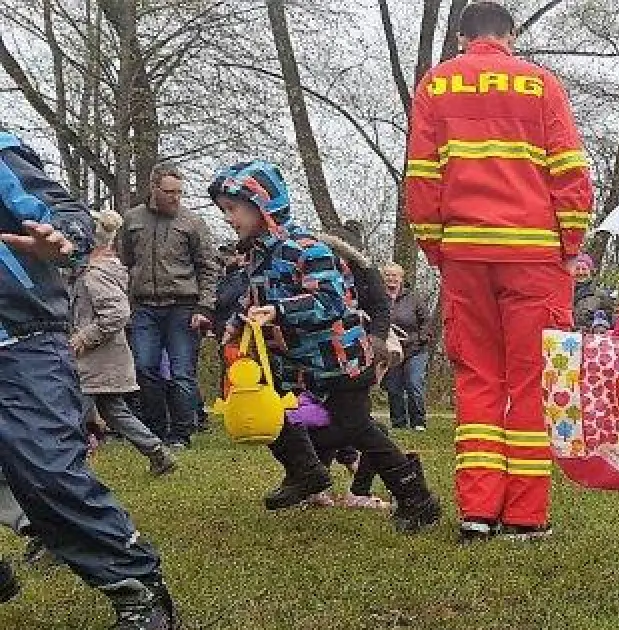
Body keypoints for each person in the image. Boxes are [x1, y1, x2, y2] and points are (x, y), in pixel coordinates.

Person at [404, 0, 594, 542]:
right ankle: (525, 516)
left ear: (463, 36)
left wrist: (437, 248)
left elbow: (421, 176)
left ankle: (477, 512)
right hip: (534, 256)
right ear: (509, 35)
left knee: (478, 380)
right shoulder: (539, 84)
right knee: (532, 383)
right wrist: (570, 244)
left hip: (465, 254)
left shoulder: (435, 86)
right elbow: (570, 171)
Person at [0, 130, 179, 630]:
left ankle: (137, 586)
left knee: (47, 471)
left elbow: (69, 212)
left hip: (21, 343)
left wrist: (60, 237)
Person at [210, 160, 441, 533]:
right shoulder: (256, 255)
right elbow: (250, 300)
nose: (228, 218)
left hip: (339, 360)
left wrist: (279, 310)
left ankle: (416, 497)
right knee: (277, 415)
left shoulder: (307, 249)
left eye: (232, 209)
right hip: (296, 365)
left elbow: (331, 302)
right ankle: (306, 472)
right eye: (224, 210)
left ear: (262, 204)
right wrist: (236, 325)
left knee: (354, 428)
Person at [70, 210, 179, 477]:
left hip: (93, 362)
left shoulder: (94, 275)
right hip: (105, 361)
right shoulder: (95, 271)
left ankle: (70, 470)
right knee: (115, 411)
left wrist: (84, 337)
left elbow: (117, 312)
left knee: (71, 415)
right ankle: (157, 452)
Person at [119, 163, 220, 449]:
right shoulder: (132, 220)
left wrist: (205, 307)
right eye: (169, 192)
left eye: (179, 192)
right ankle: (155, 430)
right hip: (144, 307)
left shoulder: (192, 223)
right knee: (144, 367)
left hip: (183, 306)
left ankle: (181, 433)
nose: (175, 197)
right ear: (154, 189)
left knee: (181, 371)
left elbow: (208, 267)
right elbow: (125, 260)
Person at [380, 262, 433, 431]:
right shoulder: (379, 299)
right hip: (392, 351)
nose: (391, 279)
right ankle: (399, 423)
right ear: (383, 278)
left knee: (413, 383)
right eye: (388, 275)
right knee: (394, 387)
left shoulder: (413, 298)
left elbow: (426, 321)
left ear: (401, 278)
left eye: (395, 275)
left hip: (415, 349)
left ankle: (418, 422)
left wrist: (422, 338)